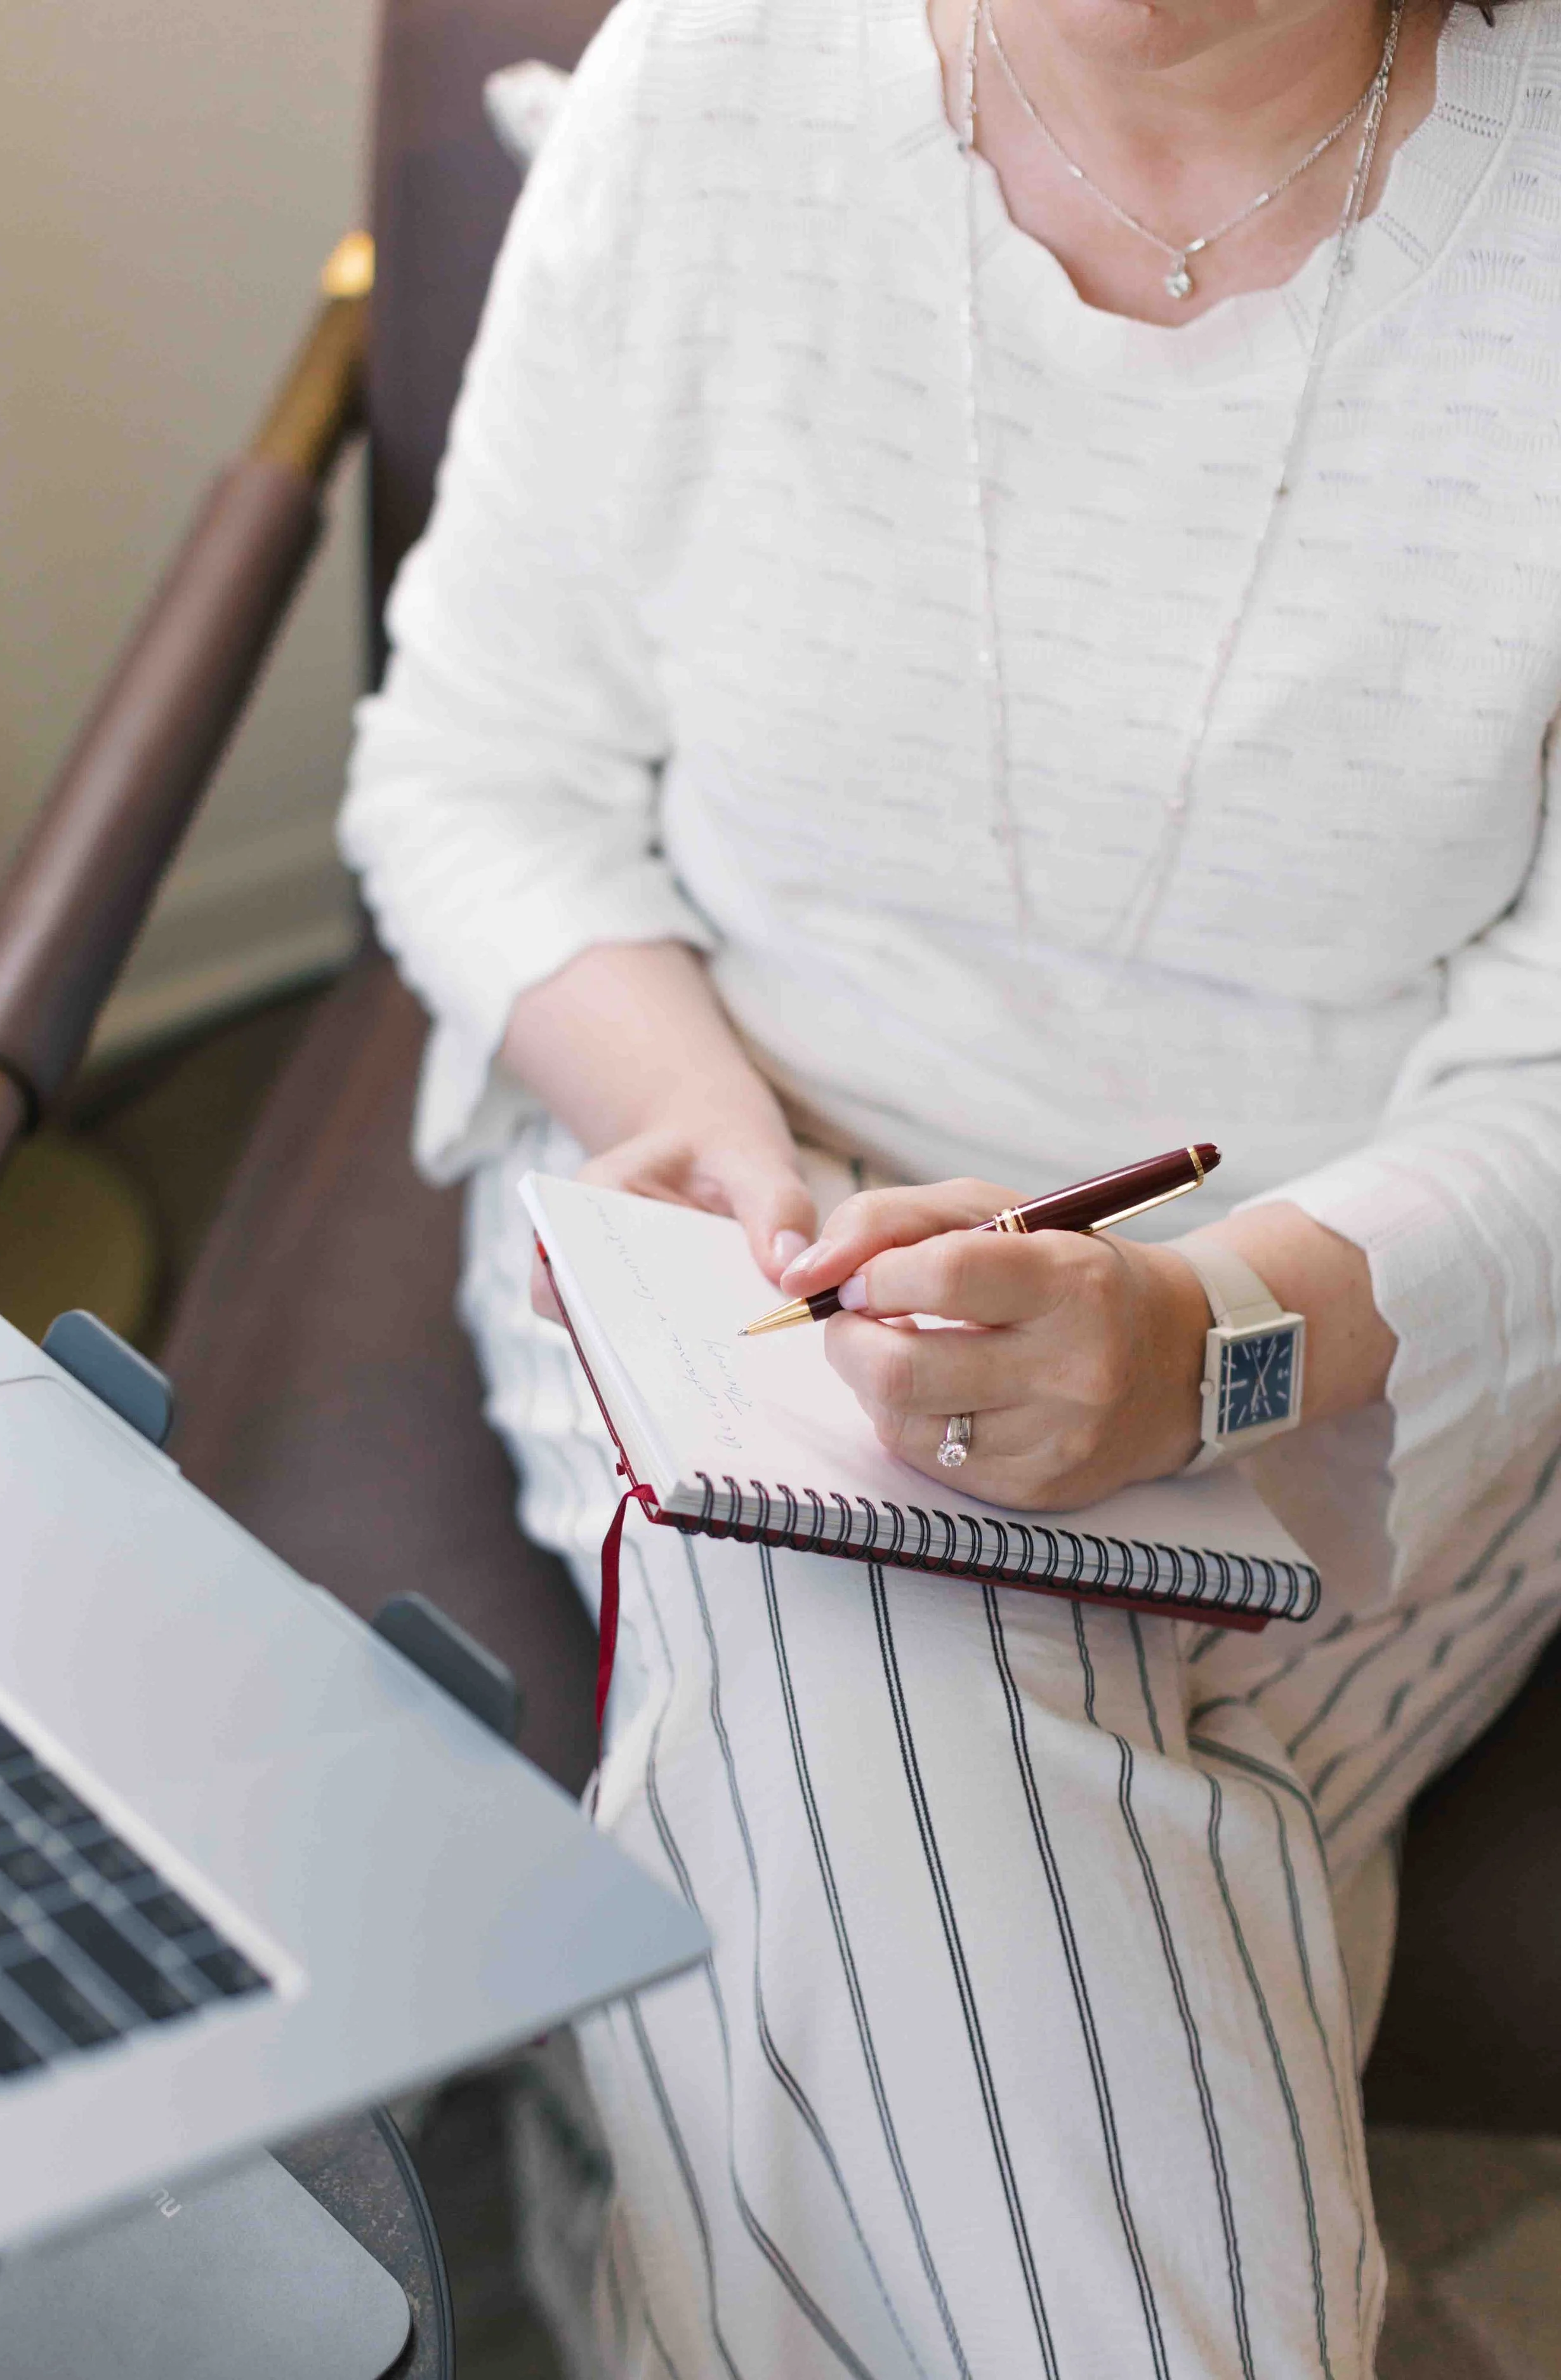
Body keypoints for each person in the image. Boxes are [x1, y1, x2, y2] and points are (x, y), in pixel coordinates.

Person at [339, 0, 1561, 2367]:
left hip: (1358, 1304)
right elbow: (474, 766)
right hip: (732, 1233)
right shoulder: (712, 94)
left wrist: (1195, 1337)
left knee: (813, 1790)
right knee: (916, 1760)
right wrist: (698, 1127)